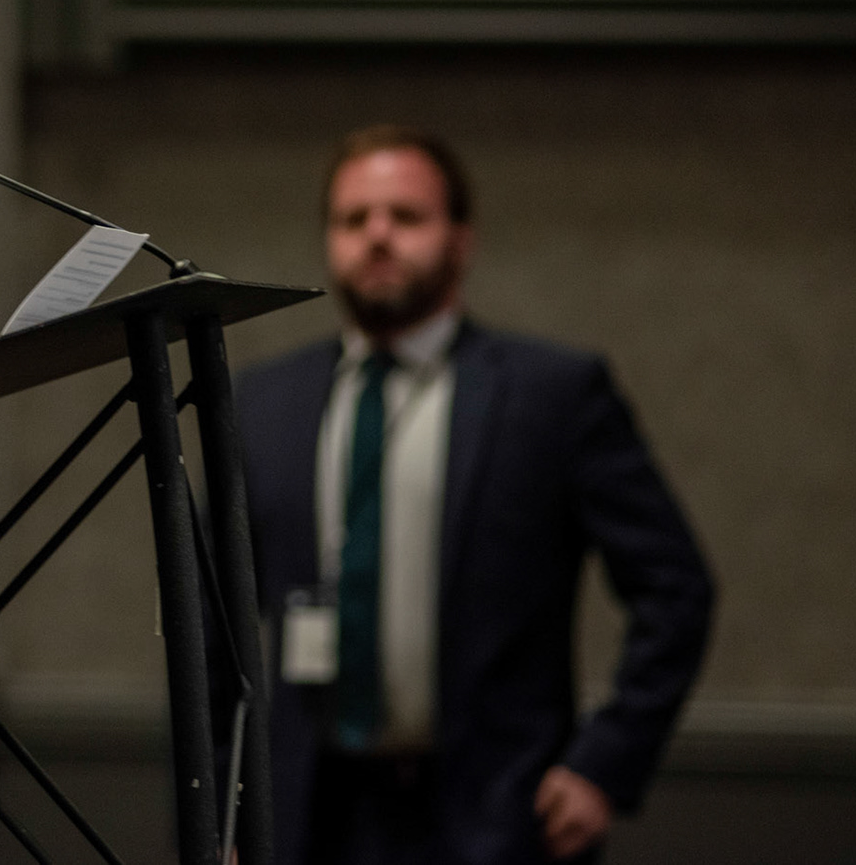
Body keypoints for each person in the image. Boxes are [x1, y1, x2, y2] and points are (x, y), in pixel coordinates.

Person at [236, 125, 714, 864]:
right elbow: (211, 626)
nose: (377, 236)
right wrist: (226, 809)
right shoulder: (264, 403)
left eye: (406, 216)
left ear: (461, 240)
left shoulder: (554, 396)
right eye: (353, 219)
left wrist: (605, 763)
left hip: (498, 815)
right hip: (309, 820)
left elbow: (675, 589)